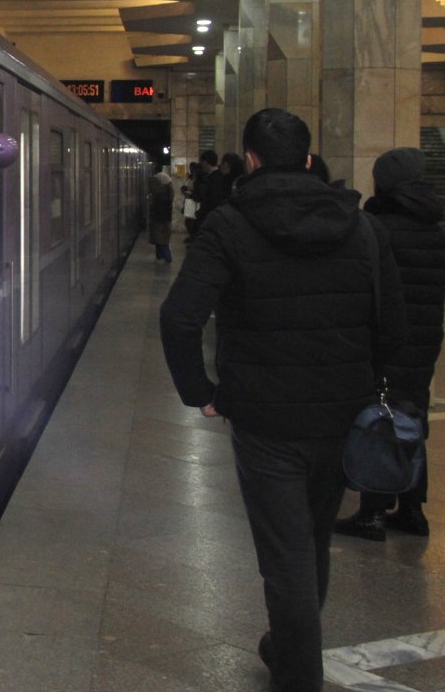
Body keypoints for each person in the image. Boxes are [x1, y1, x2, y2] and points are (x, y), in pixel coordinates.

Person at [160, 108, 405, 692]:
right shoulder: (363, 227)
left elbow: (179, 320)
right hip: (344, 415)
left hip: (266, 420)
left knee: (285, 552)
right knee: (312, 539)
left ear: (250, 160)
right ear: (308, 155)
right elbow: (393, 327)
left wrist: (203, 395)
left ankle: (298, 674)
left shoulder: (228, 225)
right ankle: (289, 644)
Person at [334, 147, 445, 540]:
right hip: (427, 336)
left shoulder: (378, 226)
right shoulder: (435, 225)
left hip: (388, 338)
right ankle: (413, 510)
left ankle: (372, 512)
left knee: (381, 418)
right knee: (412, 416)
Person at [147, 165, 174, 263]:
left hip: (159, 218)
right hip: (166, 218)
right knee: (162, 239)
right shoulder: (169, 191)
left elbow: (157, 206)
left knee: (161, 240)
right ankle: (160, 256)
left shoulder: (160, 193)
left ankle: (167, 257)